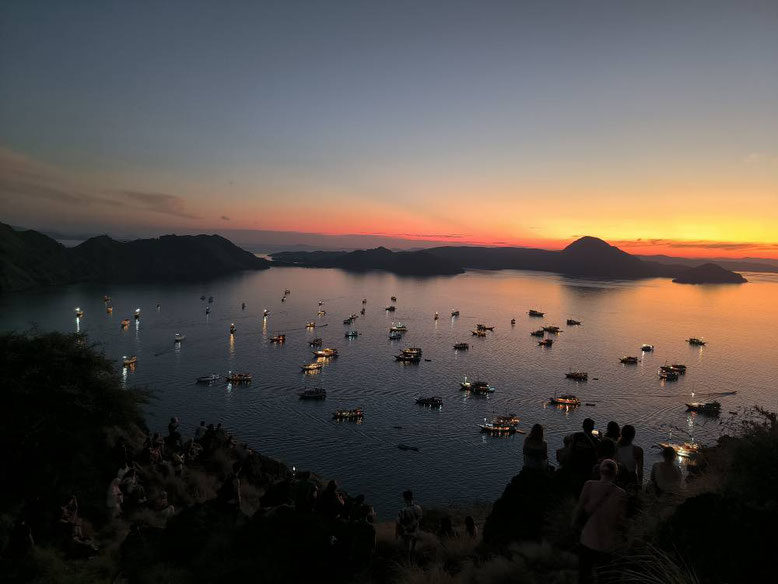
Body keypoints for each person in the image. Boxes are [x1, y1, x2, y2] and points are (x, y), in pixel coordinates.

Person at [574, 459, 627, 584]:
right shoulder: (621, 494)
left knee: (583, 574)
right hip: (607, 543)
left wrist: (573, 525)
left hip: (587, 539)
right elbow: (621, 520)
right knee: (603, 577)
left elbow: (578, 509)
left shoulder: (589, 485)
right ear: (615, 474)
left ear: (600, 471)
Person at [396, 490, 423, 562]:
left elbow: (398, 523)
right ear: (412, 497)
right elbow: (420, 519)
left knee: (407, 553)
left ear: (404, 499)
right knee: (414, 552)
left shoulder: (403, 511)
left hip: (407, 534)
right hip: (416, 533)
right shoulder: (419, 508)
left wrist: (397, 535)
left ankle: (408, 567)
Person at [615, 425, 644, 489]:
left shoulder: (614, 447)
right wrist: (640, 485)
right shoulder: (637, 450)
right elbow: (640, 471)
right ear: (633, 436)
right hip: (631, 480)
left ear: (621, 434)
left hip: (617, 479)